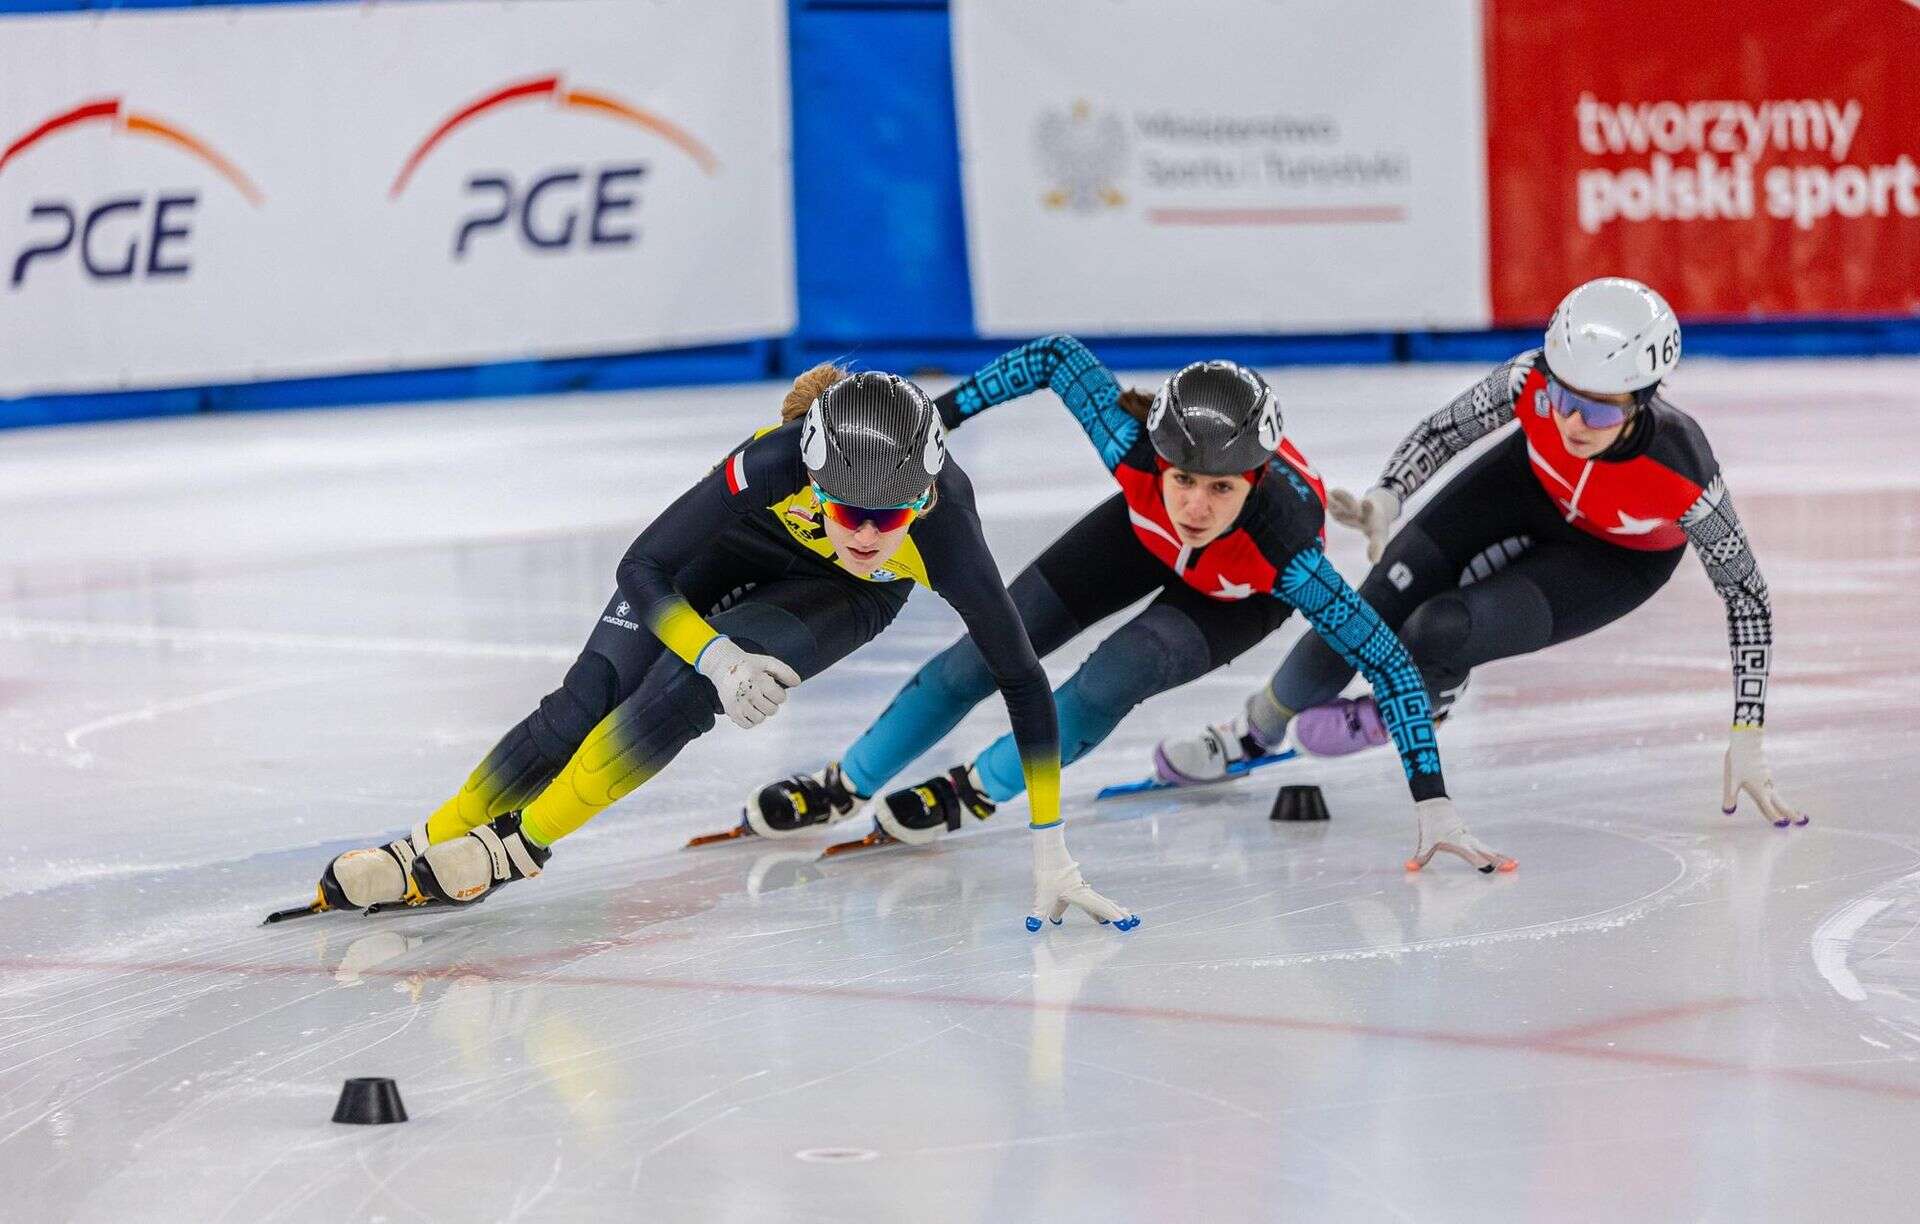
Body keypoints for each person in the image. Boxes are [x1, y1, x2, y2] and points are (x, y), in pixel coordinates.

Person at [299, 368, 1134, 931]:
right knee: (582, 703)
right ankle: (431, 839)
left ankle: (518, 847)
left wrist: (1050, 843)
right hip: (731, 550)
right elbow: (644, 565)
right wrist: (714, 654)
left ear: (925, 493)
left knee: (678, 701)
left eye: (896, 514)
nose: (873, 534)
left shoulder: (946, 522)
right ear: (812, 474)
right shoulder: (769, 464)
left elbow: (1022, 678)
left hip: (837, 601)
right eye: (851, 512)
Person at [731, 336, 1513, 874]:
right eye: (1183, 479)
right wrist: (935, 420)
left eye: (1221, 488)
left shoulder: (1290, 553)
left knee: (1115, 675)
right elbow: (1054, 357)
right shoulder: (1134, 447)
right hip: (1133, 538)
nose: (1197, 505)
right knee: (981, 654)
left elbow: (1389, 663)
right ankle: (848, 779)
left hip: (1230, 592)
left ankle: (980, 788)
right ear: (1158, 457)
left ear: (1257, 480)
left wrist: (1433, 801)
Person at [1155, 277, 1806, 829]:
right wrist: (1389, 494)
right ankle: (1250, 733)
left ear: (1644, 400)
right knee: (1362, 610)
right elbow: (1444, 431)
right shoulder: (1530, 380)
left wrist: (1748, 729)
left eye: (1599, 413)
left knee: (1438, 629)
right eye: (1563, 399)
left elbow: (1745, 594)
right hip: (1525, 487)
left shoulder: (1683, 466)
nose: (1574, 423)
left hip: (1615, 557)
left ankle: (1409, 704)